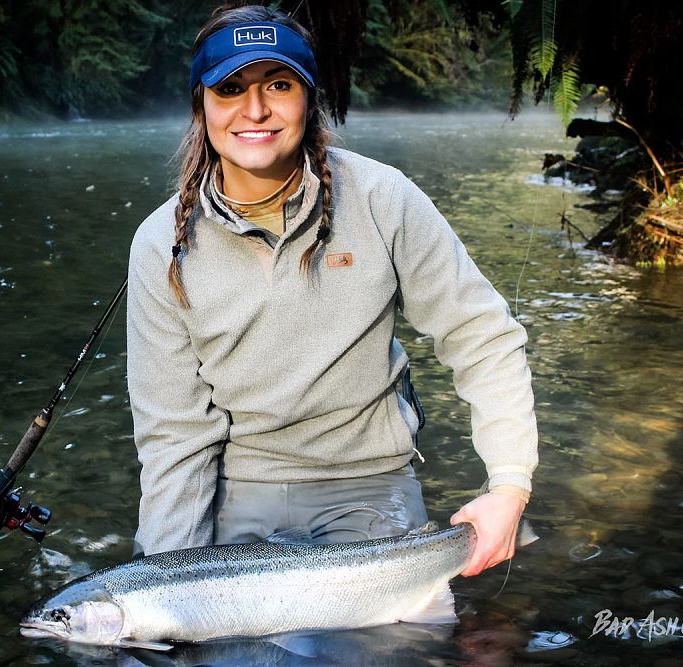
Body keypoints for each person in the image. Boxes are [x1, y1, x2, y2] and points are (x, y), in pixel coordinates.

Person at [127, 4, 537, 578]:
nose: (255, 109)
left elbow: (482, 337)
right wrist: (166, 581)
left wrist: (509, 487)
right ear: (202, 105)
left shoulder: (382, 198)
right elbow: (175, 435)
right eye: (230, 88)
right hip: (238, 488)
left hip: (372, 483)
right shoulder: (159, 244)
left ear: (310, 97)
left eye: (279, 84)